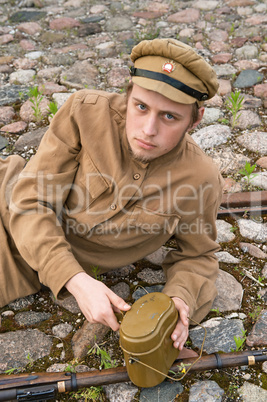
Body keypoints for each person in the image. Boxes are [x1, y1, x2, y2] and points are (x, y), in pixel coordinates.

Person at [0, 38, 223, 353]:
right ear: (128, 94)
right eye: (141, 107)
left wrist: (179, 300)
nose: (148, 129)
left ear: (195, 120)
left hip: (14, 259)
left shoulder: (200, 178)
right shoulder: (84, 111)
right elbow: (31, 200)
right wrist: (77, 281)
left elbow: (199, 255)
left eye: (169, 117)